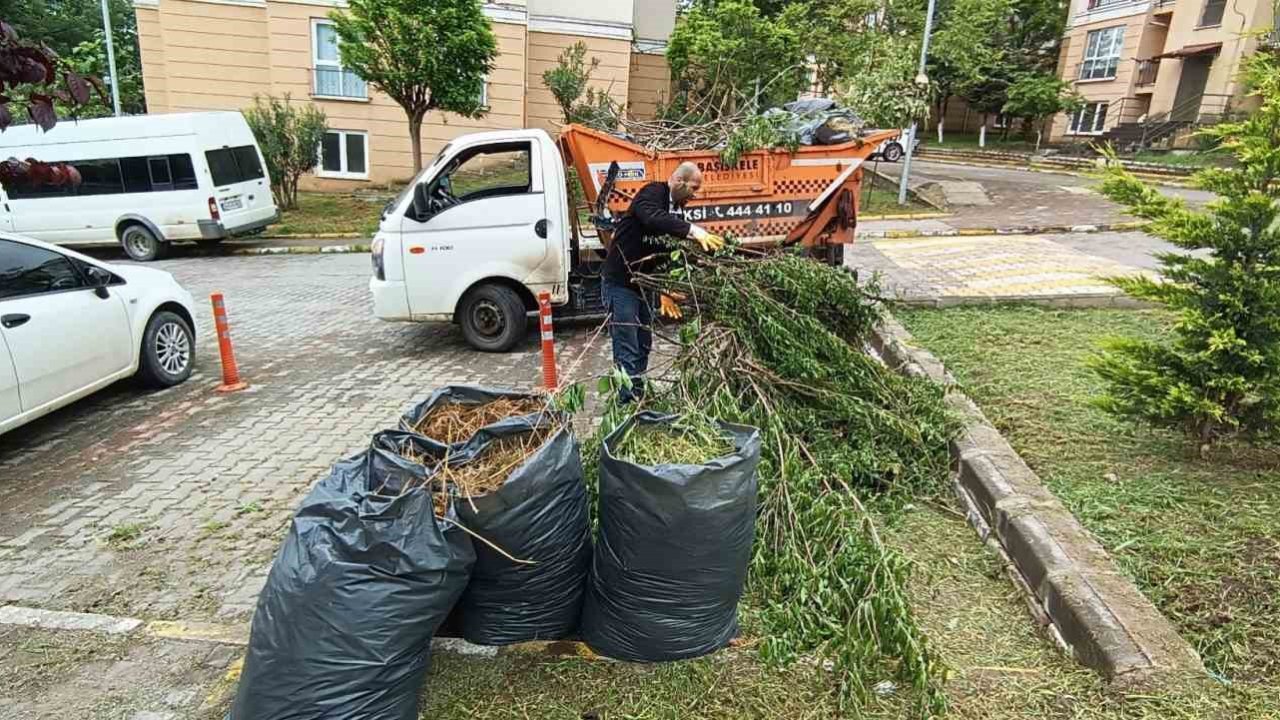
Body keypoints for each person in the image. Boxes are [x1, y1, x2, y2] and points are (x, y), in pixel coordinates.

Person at [600, 161, 724, 403]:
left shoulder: (676, 209)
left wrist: (666, 288)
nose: (695, 195)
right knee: (628, 346)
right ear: (678, 182)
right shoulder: (652, 193)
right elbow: (653, 219)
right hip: (620, 284)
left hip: (643, 284)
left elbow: (666, 251)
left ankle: (638, 395)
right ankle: (627, 405)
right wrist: (695, 232)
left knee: (644, 344)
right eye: (693, 188)